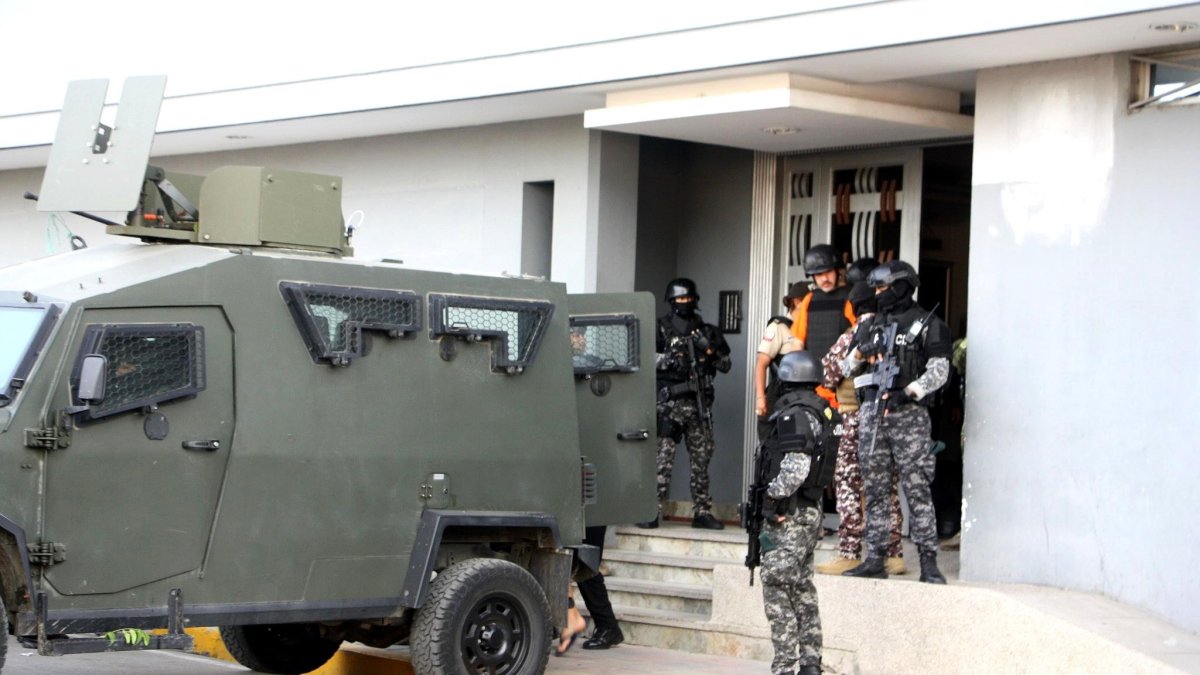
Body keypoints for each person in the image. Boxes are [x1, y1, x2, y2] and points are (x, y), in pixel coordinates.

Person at [840, 261, 951, 584]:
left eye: (882, 288)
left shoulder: (928, 324)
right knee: (875, 490)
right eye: (875, 288)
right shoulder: (870, 324)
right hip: (872, 414)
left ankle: (928, 561)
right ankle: (875, 558)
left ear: (901, 287)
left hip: (909, 417)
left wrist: (909, 392)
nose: (877, 294)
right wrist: (861, 352)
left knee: (917, 489)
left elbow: (940, 371)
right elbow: (845, 368)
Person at [815, 280, 907, 576]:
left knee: (849, 483)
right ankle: (894, 555)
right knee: (885, 484)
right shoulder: (894, 332)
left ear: (853, 306)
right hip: (888, 416)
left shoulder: (854, 334)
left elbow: (828, 374)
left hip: (855, 417)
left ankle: (850, 552)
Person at [758, 350, 831, 675]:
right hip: (809, 512)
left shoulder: (794, 416)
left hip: (789, 515)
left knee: (776, 586)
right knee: (802, 587)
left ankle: (785, 666)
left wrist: (770, 497)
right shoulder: (819, 412)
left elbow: (795, 470)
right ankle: (811, 662)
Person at [639, 278, 731, 530]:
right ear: (671, 301)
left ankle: (702, 511)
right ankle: (651, 510)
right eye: (680, 299)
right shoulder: (660, 328)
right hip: (670, 405)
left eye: (688, 299)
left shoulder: (707, 332)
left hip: (698, 406)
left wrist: (708, 350)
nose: (685, 303)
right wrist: (669, 360)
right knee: (662, 460)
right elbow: (644, 357)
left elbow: (725, 364)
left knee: (701, 461)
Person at [752, 281, 806, 439]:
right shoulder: (779, 327)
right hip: (780, 394)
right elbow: (761, 364)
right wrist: (760, 398)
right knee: (771, 441)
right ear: (797, 302)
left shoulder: (809, 328)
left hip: (803, 396)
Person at [790, 244, 854, 360]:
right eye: (819, 274)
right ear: (813, 276)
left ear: (837, 270)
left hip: (844, 368)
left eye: (828, 272)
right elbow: (798, 342)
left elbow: (861, 335)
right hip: (812, 368)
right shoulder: (809, 299)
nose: (825, 279)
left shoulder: (851, 297)